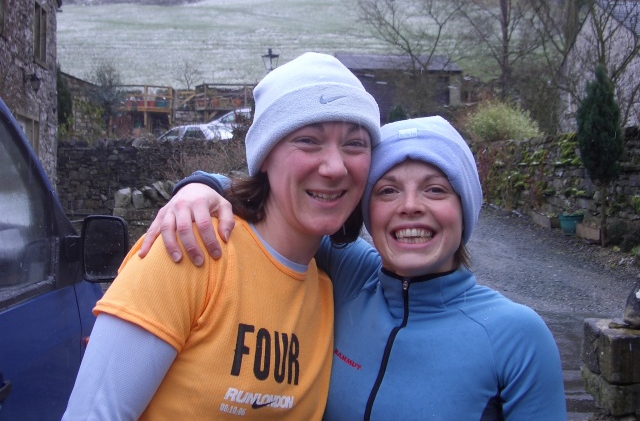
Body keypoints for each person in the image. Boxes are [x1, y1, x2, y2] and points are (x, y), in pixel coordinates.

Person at [144, 116, 568, 420]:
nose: (410, 207)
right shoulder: (349, 275)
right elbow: (284, 201)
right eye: (388, 191)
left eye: (436, 189)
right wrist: (201, 186)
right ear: (366, 210)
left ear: (465, 209)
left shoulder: (516, 336)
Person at [62, 52, 381, 420]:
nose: (335, 167)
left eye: (355, 144)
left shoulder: (329, 292)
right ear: (265, 155)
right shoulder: (188, 247)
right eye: (309, 140)